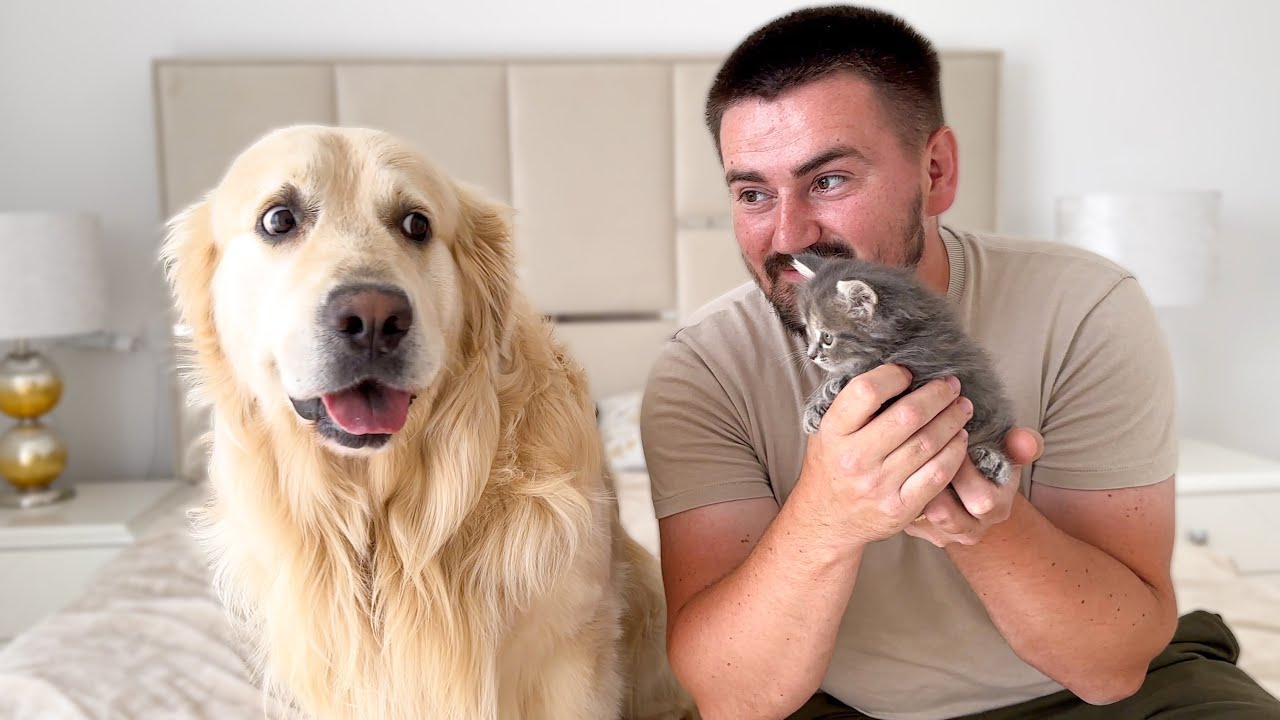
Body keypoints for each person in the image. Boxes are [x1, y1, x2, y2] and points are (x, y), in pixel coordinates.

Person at [639, 5, 1280, 719]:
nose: (789, 235)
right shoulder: (702, 368)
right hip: (839, 705)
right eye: (754, 192)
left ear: (936, 171)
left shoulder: (1086, 307)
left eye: (829, 181)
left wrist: (987, 525)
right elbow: (732, 699)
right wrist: (829, 516)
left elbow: (1112, 667)